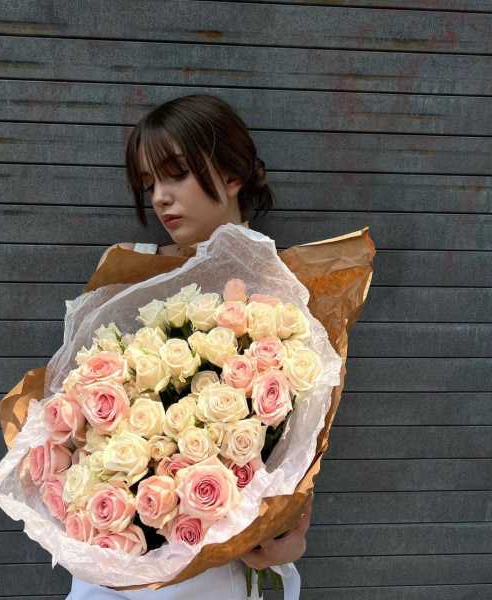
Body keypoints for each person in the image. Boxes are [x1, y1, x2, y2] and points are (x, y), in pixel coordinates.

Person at [66, 94, 312, 600]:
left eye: (176, 174)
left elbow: (303, 443)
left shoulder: (281, 294)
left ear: (232, 174)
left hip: (225, 564)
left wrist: (293, 534)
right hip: (121, 554)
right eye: (148, 184)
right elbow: (80, 422)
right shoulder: (128, 272)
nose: (159, 198)